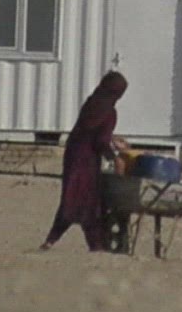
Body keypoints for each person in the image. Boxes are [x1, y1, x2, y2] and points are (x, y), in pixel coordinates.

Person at [41, 71, 130, 251]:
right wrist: (115, 158)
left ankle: (51, 240)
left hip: (73, 155)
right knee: (89, 203)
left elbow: (90, 130)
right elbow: (100, 141)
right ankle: (96, 246)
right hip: (88, 161)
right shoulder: (109, 112)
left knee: (71, 197)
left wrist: (111, 138)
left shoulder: (92, 102)